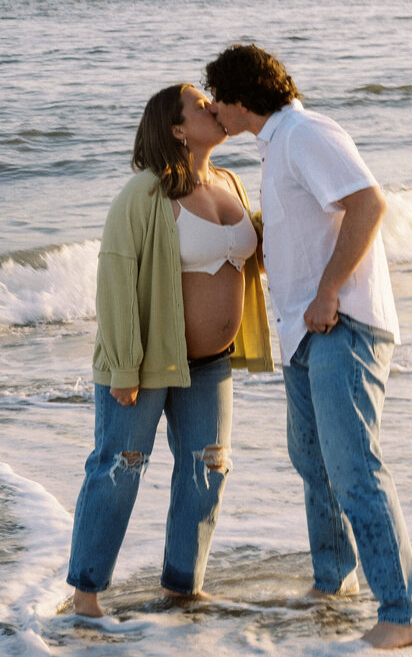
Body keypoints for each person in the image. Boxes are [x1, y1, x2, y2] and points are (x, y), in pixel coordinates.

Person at [204, 44, 412, 649]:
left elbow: (368, 204)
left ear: (238, 97)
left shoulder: (306, 133)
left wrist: (330, 291)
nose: (214, 113)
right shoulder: (277, 145)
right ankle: (335, 581)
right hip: (305, 332)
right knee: (314, 463)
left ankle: (404, 613)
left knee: (355, 469)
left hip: (344, 325)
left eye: (217, 101)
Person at [66, 83, 273, 617]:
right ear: (177, 128)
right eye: (202, 105)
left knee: (209, 468)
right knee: (119, 466)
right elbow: (115, 278)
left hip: (211, 365)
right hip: (145, 365)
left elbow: (251, 257)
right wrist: (123, 368)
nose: (215, 106)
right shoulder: (145, 193)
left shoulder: (230, 182)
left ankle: (182, 587)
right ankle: (86, 596)